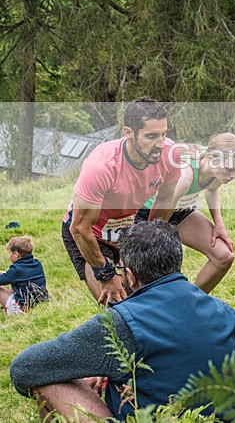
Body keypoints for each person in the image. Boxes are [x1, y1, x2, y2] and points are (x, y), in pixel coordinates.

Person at [10, 220, 235, 421]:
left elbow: (24, 368)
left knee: (46, 378)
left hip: (161, 418)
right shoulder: (225, 311)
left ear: (129, 275)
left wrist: (77, 375)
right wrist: (104, 369)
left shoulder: (122, 321)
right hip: (225, 417)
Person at [62, 96, 181, 306]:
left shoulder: (170, 154)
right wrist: (105, 274)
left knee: (150, 296)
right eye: (151, 136)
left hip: (125, 227)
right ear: (129, 133)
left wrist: (149, 238)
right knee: (117, 304)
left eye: (163, 134)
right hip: (89, 234)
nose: (160, 144)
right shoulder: (102, 166)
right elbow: (80, 228)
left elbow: (165, 197)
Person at [134, 133, 235, 294]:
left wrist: (219, 224)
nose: (234, 176)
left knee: (224, 256)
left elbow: (212, 190)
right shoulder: (185, 174)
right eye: (230, 169)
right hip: (151, 214)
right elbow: (163, 205)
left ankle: (191, 301)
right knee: (153, 273)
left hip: (180, 210)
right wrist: (163, 238)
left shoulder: (216, 168)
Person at [0, 236, 48, 316]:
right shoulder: (37, 263)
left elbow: (4, 278)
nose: (9, 255)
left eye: (10, 253)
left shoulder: (16, 270)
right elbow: (20, 275)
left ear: (16, 254)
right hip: (39, 304)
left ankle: (10, 310)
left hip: (23, 309)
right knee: (15, 282)